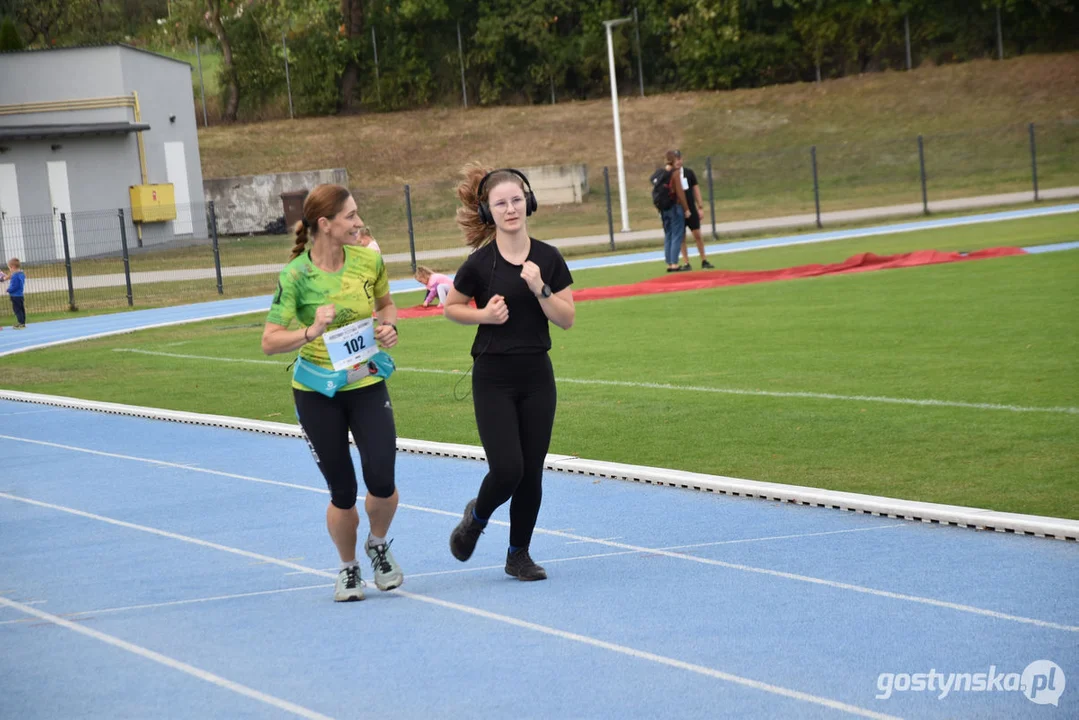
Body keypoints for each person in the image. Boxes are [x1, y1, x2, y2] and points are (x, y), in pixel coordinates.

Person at [261, 183, 404, 602]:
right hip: (316, 392)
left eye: (357, 214)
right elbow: (270, 341)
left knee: (382, 477)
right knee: (342, 490)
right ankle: (348, 569)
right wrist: (311, 331)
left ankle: (377, 544)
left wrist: (389, 326)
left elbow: (387, 304)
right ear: (325, 224)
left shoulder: (368, 260)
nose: (359, 222)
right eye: (350, 216)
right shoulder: (296, 276)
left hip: (366, 382)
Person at [442, 165, 575, 581]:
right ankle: (476, 519)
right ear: (488, 211)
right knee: (507, 469)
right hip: (493, 377)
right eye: (501, 203)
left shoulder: (548, 258)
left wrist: (541, 288)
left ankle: (518, 554)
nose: (511, 208)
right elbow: (451, 307)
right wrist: (484, 314)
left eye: (517, 200)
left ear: (529, 202)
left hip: (537, 376)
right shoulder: (480, 264)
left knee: (531, 472)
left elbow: (567, 318)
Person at [674, 154, 715, 270]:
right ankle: (686, 263)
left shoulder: (688, 173)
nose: (678, 162)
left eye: (679, 159)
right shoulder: (671, 175)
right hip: (678, 210)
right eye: (675, 160)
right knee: (681, 237)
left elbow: (696, 189)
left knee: (697, 234)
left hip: (691, 209)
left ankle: (704, 260)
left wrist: (700, 206)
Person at [659, 150, 691, 272]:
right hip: (674, 207)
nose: (679, 161)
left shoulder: (662, 173)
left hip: (664, 208)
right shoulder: (675, 174)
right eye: (677, 159)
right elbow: (680, 193)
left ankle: (669, 263)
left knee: (668, 235)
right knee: (677, 235)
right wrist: (686, 209)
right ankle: (674, 264)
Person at [2, 259, 26, 329]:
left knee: (17, 310)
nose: (9, 270)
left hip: (15, 295)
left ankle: (20, 323)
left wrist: (8, 290)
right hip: (20, 295)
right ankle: (22, 322)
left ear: (13, 267)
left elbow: (15, 286)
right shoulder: (21, 274)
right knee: (21, 309)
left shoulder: (15, 276)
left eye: (9, 268)